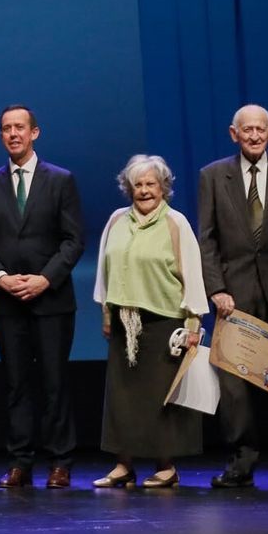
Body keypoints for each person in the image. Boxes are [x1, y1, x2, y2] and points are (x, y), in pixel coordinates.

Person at [196, 104, 268, 489]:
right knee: (235, 386)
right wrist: (216, 287)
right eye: (246, 130)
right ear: (234, 134)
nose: (253, 136)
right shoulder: (213, 176)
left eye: (259, 129)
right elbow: (207, 239)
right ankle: (241, 462)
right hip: (234, 294)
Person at [0, 105, 84, 489]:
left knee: (54, 383)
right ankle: (20, 461)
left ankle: (60, 461)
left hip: (51, 300)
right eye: (6, 128)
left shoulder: (61, 180)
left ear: (35, 133)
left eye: (20, 127)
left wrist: (45, 279)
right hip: (7, 303)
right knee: (16, 384)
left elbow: (74, 240)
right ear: (0, 135)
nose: (13, 134)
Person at [91, 155, 208, 489]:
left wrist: (193, 323)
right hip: (124, 320)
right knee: (122, 397)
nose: (144, 191)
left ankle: (166, 466)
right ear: (129, 188)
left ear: (163, 188)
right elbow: (104, 268)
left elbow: (192, 274)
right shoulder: (116, 220)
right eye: (138, 184)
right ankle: (123, 465)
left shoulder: (176, 223)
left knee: (160, 399)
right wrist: (106, 313)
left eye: (150, 184)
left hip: (164, 322)